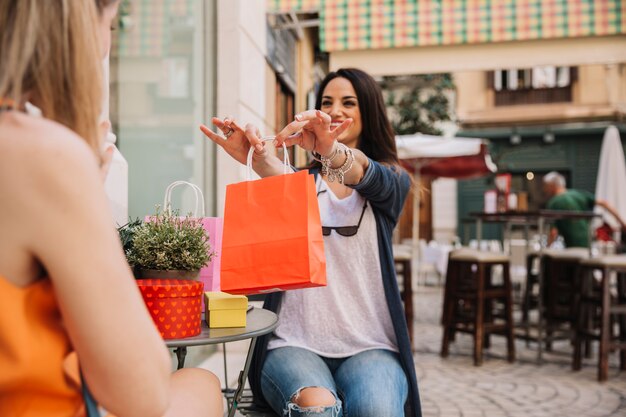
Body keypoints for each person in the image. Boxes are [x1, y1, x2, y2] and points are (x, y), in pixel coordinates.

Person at [0, 1, 222, 416]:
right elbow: (143, 394)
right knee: (202, 386)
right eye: (113, 24)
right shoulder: (42, 155)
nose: (107, 44)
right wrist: (86, 190)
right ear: (79, 25)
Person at [201, 68, 422, 416]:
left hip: (372, 347)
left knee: (377, 409)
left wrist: (331, 150)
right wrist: (254, 154)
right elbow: (273, 170)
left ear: (368, 112)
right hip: (293, 344)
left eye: (348, 102)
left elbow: (364, 173)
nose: (335, 110)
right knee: (316, 408)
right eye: (326, 102)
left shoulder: (392, 180)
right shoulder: (302, 183)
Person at [543, 171, 625, 248]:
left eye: (546, 186)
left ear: (551, 185)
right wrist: (622, 223)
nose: (545, 189)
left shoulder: (553, 203)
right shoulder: (578, 194)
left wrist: (546, 248)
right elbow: (604, 203)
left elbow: (553, 232)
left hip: (573, 246)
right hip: (588, 241)